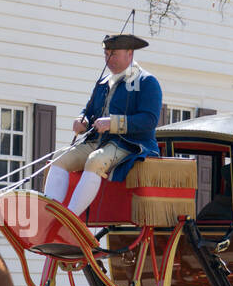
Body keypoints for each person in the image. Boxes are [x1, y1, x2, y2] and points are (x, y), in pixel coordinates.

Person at [43, 33, 162, 217]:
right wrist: (82, 120)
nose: (109, 59)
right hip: (97, 142)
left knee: (95, 161)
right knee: (59, 157)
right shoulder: (103, 82)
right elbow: (89, 110)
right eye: (106, 54)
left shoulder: (147, 82)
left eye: (114, 54)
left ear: (129, 54)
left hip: (129, 144)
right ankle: (51, 215)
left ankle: (71, 219)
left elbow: (149, 120)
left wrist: (113, 123)